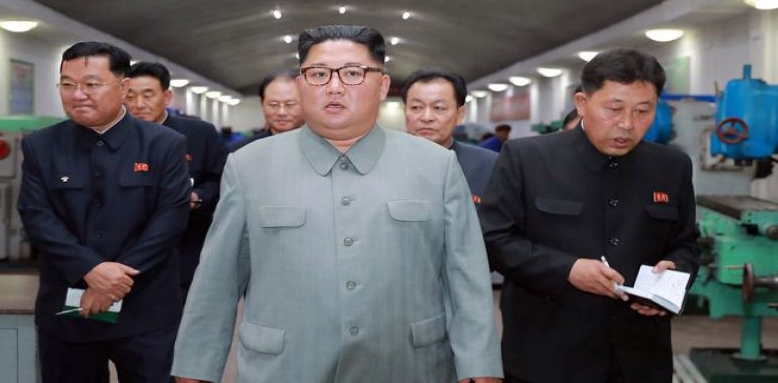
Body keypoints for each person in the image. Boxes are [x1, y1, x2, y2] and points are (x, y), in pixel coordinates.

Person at [172, 25, 502, 383]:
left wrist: (480, 363)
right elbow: (218, 278)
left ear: (383, 86)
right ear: (301, 84)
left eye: (353, 73)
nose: (334, 86)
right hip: (286, 368)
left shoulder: (435, 165)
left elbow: (465, 274)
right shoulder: (250, 166)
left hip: (406, 365)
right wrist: (195, 367)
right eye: (318, 74)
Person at [481, 48, 700, 382]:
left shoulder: (671, 167)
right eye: (614, 109)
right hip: (547, 358)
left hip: (639, 361)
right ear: (582, 103)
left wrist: (674, 276)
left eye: (643, 111)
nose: (627, 124)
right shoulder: (527, 159)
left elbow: (686, 243)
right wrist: (566, 270)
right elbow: (494, 239)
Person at [17, 42, 191, 383]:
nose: (78, 94)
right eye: (67, 84)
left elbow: (170, 219)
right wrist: (90, 269)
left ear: (123, 87)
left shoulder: (163, 144)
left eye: (92, 84)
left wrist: (111, 283)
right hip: (70, 306)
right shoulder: (41, 145)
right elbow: (36, 215)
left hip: (145, 307)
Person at [125, 61, 227, 297]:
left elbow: (222, 180)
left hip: (186, 247)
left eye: (148, 95)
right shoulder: (113, 138)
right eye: (130, 97)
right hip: (129, 249)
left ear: (167, 97)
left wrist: (198, 196)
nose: (138, 104)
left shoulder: (200, 134)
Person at [401, 69, 499, 224]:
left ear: (460, 114)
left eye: (439, 108)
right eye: (416, 107)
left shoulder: (490, 165)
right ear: (405, 111)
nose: (427, 117)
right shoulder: (382, 162)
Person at [228, 69, 304, 152]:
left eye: (290, 104)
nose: (281, 112)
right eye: (273, 105)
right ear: (262, 103)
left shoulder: (315, 148)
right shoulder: (242, 151)